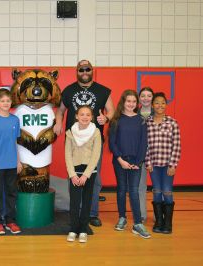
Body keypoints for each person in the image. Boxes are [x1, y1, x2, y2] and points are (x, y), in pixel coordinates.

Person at [54, 59, 114, 232]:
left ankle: (92, 214)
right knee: (73, 178)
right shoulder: (69, 90)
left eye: (88, 69)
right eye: (81, 69)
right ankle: (75, 214)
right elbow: (60, 111)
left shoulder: (103, 90)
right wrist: (58, 122)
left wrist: (107, 118)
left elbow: (111, 110)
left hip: (94, 141)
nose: (84, 72)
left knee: (93, 180)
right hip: (73, 141)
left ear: (92, 70)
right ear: (77, 71)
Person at [108, 90, 150, 239]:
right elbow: (112, 143)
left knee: (133, 191)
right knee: (121, 189)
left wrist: (137, 162)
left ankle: (137, 223)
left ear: (136, 103)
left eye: (133, 101)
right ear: (123, 102)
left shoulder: (141, 120)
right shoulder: (116, 120)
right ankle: (122, 218)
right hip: (119, 160)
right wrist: (120, 159)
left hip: (136, 162)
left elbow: (143, 143)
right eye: (128, 101)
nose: (131, 104)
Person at [0, 89, 22, 235]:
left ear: (11, 102)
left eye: (8, 101)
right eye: (2, 101)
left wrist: (19, 161)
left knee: (12, 193)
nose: (5, 103)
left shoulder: (15, 120)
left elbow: (15, 142)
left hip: (12, 164)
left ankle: (10, 221)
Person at [145, 92, 181, 234]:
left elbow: (176, 145)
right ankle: (159, 222)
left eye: (163, 103)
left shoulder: (172, 122)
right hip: (154, 164)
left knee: (167, 191)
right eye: (157, 103)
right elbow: (145, 145)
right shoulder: (147, 122)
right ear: (152, 105)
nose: (160, 105)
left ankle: (168, 224)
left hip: (167, 165)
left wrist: (173, 164)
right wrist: (148, 162)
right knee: (156, 191)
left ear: (166, 105)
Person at [65, 105, 101, 243]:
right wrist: (72, 174)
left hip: (89, 172)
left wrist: (86, 174)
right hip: (74, 171)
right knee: (74, 202)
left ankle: (83, 229)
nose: (85, 117)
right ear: (76, 116)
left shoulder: (96, 132)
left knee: (87, 201)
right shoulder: (70, 133)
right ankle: (73, 229)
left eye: (88, 115)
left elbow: (96, 154)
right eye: (82, 114)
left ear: (91, 117)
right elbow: (67, 153)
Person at [138, 87, 154, 222]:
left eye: (149, 96)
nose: (146, 98)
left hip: (156, 156)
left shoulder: (159, 114)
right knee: (140, 186)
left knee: (157, 187)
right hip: (140, 156)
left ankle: (158, 215)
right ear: (139, 98)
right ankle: (142, 215)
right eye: (143, 95)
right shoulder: (134, 114)